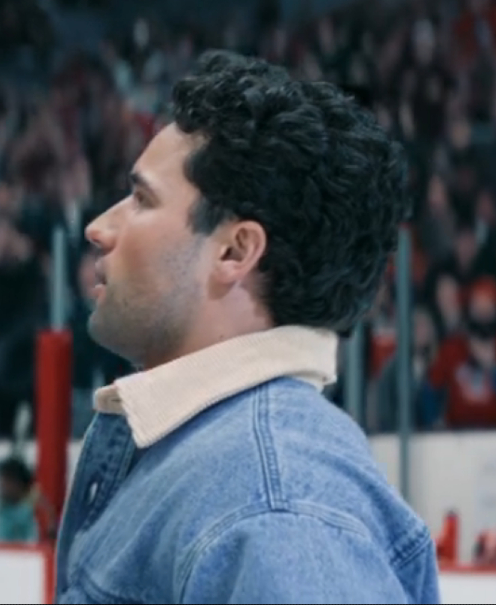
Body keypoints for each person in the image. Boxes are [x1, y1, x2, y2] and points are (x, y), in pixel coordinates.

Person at [55, 51, 440, 604]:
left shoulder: (276, 505)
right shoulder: (235, 471)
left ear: (235, 250)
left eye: (141, 199)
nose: (98, 227)